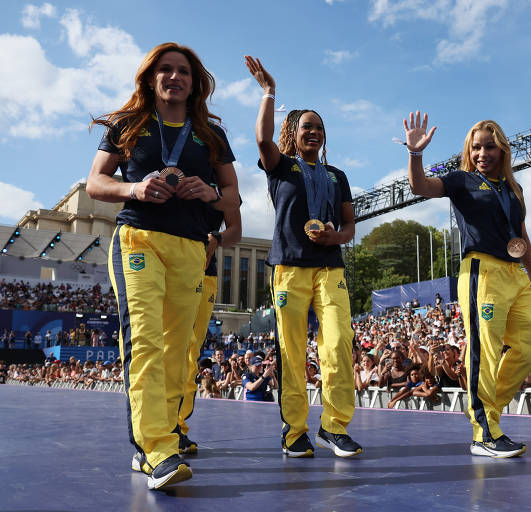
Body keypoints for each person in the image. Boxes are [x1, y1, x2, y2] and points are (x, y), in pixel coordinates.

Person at [87, 42, 239, 489]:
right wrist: (134, 189)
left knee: (177, 352)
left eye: (184, 73)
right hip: (139, 239)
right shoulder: (128, 124)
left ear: (195, 84)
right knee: (147, 341)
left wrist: (208, 193)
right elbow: (95, 181)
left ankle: (162, 439)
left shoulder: (210, 134)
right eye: (166, 70)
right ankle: (157, 450)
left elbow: (233, 196)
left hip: (191, 248)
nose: (175, 78)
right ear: (151, 78)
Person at [404, 112, 531, 458]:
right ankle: (484, 433)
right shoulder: (461, 181)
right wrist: (415, 154)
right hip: (482, 272)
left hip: (515, 274)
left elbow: (520, 232)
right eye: (476, 147)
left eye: (490, 147)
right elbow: (420, 187)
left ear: (503, 150)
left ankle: (488, 412)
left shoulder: (514, 187)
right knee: (486, 352)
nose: (483, 153)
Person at [246, 55, 360, 458]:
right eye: (306, 126)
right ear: (293, 134)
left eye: (319, 127)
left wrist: (336, 238)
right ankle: (294, 431)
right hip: (290, 269)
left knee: (338, 344)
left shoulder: (336, 176)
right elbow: (261, 140)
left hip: (329, 267)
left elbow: (349, 227)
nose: (313, 132)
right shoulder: (281, 167)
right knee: (292, 352)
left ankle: (334, 427)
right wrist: (269, 93)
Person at [176, 195, 241, 455]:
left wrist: (216, 238)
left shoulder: (224, 179)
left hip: (206, 272)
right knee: (171, 350)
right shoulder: (172, 169)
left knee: (191, 354)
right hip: (172, 264)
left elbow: (235, 229)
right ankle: (158, 428)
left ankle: (178, 426)